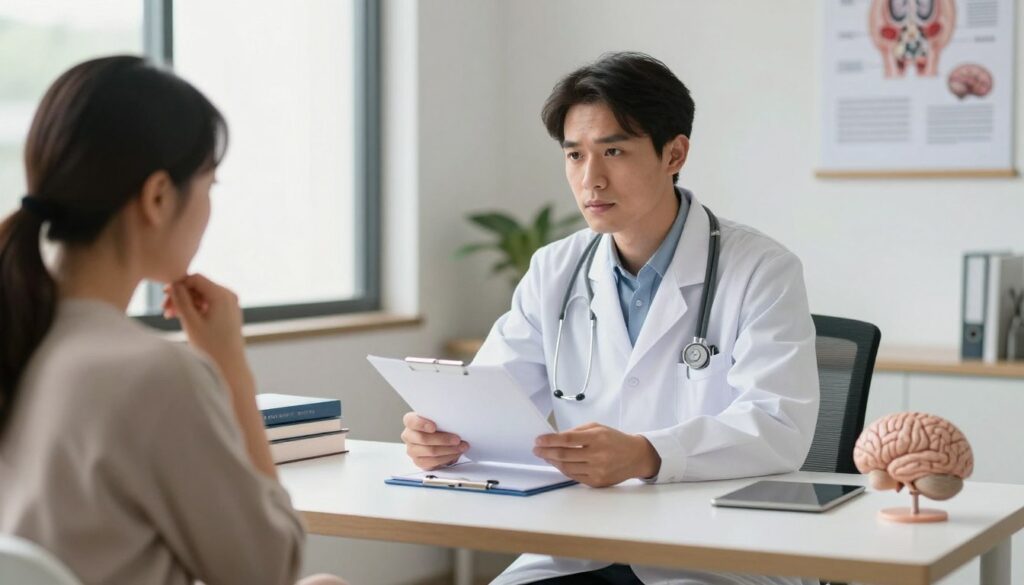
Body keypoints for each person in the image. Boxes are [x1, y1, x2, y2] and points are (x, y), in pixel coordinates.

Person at [400, 52, 820, 585]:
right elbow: (491, 401)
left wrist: (648, 454)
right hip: (578, 547)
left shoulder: (760, 269)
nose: (590, 179)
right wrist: (444, 437)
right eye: (575, 155)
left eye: (613, 151)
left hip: (712, 554)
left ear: (675, 153)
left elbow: (780, 426)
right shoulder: (555, 269)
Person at [0, 56, 345, 585]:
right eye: (210, 185)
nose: (208, 207)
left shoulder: (23, 336)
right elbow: (268, 571)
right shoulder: (153, 374)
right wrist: (229, 365)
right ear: (158, 197)